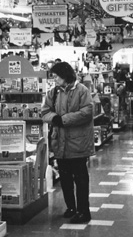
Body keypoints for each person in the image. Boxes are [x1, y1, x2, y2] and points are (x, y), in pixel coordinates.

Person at [41, 62, 95, 223]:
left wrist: (62, 120)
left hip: (78, 144)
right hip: (60, 143)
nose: (55, 79)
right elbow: (45, 112)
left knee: (81, 179)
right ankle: (71, 207)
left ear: (65, 75)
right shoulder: (53, 92)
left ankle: (84, 211)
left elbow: (87, 112)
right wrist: (53, 118)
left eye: (57, 76)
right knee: (65, 178)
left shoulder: (82, 91)